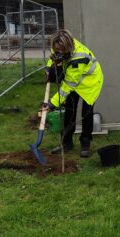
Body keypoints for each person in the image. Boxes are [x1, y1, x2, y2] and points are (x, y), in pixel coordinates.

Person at [42, 29, 104, 157]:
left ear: (68, 46)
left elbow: (68, 85)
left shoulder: (79, 58)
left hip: (90, 83)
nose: (58, 52)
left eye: (61, 50)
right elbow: (53, 56)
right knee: (70, 111)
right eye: (56, 49)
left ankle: (85, 143)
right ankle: (66, 144)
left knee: (86, 112)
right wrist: (49, 67)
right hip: (74, 78)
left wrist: (52, 103)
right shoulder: (59, 44)